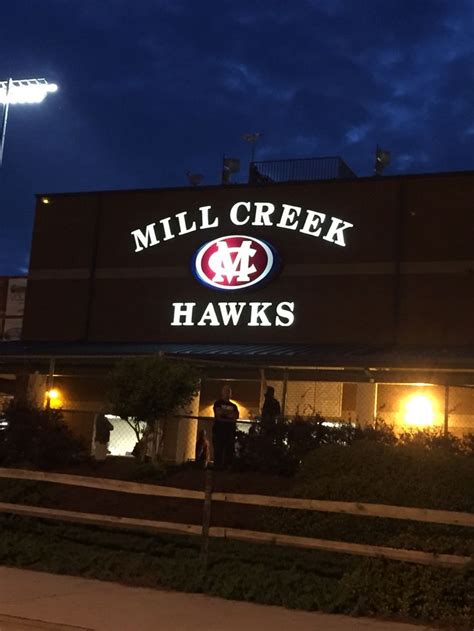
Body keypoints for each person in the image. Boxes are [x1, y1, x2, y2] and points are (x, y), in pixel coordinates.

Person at [213, 385, 239, 469]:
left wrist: (224, 413)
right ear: (222, 392)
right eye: (226, 391)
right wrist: (229, 414)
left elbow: (235, 415)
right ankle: (217, 467)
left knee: (229, 450)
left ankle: (227, 466)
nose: (228, 393)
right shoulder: (218, 403)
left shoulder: (234, 406)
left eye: (229, 392)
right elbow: (218, 413)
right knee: (218, 449)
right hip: (219, 430)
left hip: (229, 431)